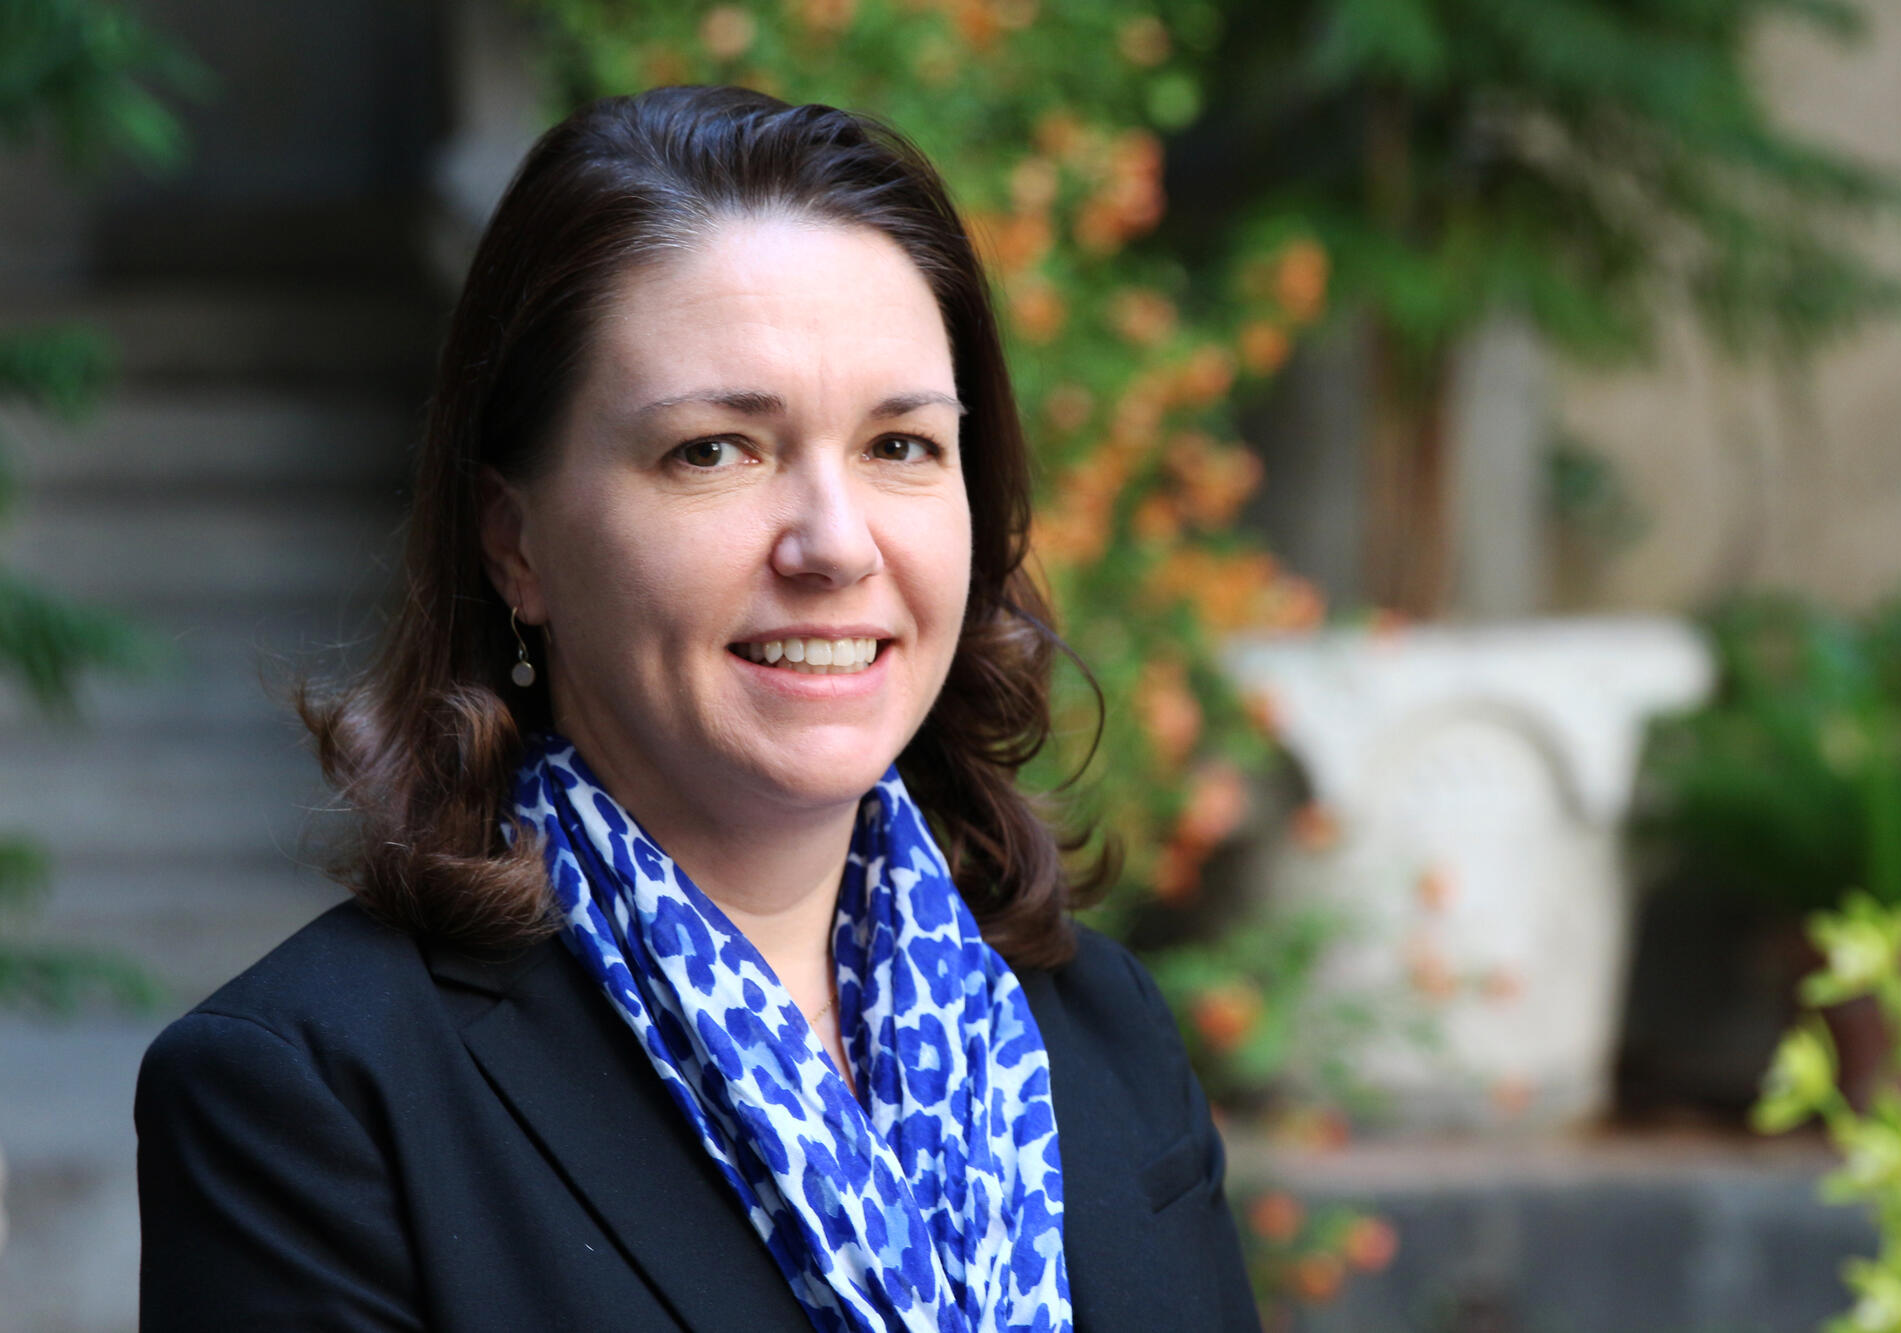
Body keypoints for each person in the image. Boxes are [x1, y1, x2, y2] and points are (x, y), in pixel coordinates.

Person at [134, 85, 1259, 1332]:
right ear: (514, 542)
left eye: (898, 446)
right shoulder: (313, 1101)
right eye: (714, 450)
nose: (836, 545)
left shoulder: (1099, 1029)